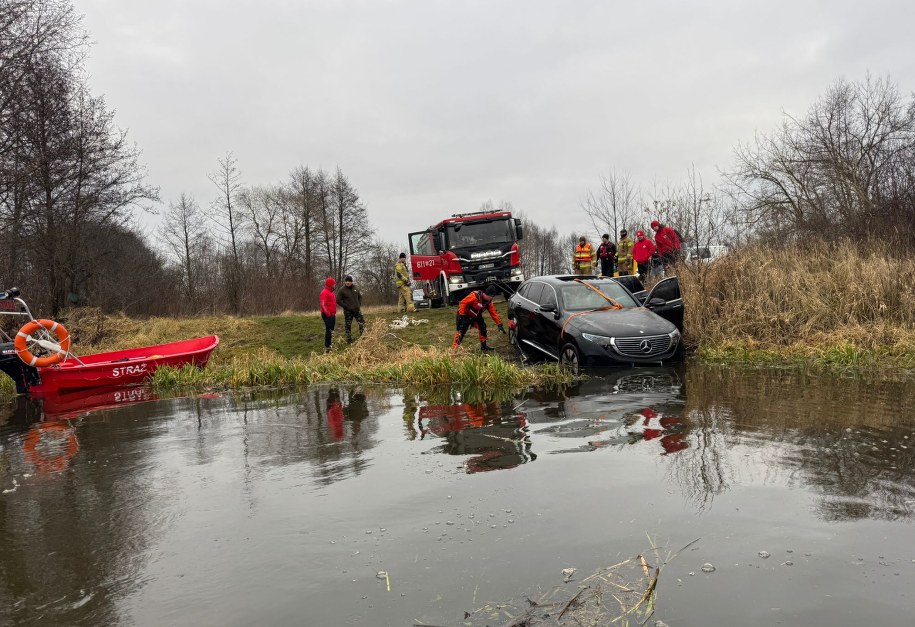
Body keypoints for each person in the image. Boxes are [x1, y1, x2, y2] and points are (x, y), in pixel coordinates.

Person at [452, 285, 504, 352]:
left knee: (483, 327)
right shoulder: (475, 296)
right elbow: (463, 303)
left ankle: (484, 346)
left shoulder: (488, 303)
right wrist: (462, 316)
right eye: (492, 297)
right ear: (489, 295)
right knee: (461, 331)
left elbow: (493, 313)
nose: (492, 299)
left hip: (476, 315)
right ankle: (454, 349)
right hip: (464, 314)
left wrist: (499, 324)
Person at [336, 275, 366, 343]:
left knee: (362, 323)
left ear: (351, 282)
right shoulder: (342, 290)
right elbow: (338, 300)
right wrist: (346, 306)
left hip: (357, 310)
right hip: (348, 311)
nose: (347, 282)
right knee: (348, 325)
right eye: (346, 281)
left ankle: (363, 337)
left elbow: (360, 296)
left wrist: (359, 304)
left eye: (349, 281)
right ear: (344, 282)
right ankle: (349, 339)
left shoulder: (355, 288)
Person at [320, 277, 337, 353]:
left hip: (332, 314)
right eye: (334, 284)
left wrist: (332, 314)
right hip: (327, 315)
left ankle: (330, 344)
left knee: (331, 330)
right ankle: (327, 347)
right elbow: (323, 305)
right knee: (328, 330)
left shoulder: (331, 293)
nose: (335, 285)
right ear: (330, 285)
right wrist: (328, 314)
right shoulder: (324, 292)